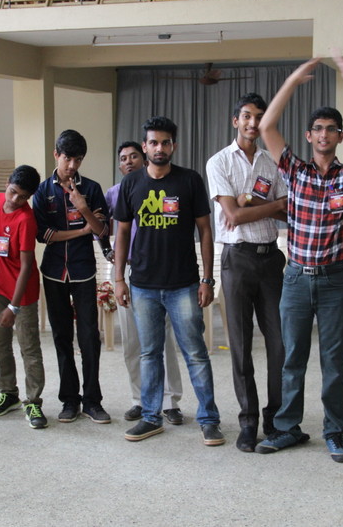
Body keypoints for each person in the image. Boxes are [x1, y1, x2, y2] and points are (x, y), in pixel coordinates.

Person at [255, 57, 343, 462]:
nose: (324, 134)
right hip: (296, 278)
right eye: (318, 128)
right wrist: (293, 81)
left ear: (339, 135)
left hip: (333, 281)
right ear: (309, 135)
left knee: (334, 363)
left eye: (331, 129)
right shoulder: (294, 171)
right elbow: (266, 126)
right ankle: (288, 429)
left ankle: (334, 432)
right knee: (292, 359)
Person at [114, 116, 224, 446]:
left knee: (196, 354)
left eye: (165, 142)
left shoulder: (189, 180)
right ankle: (151, 417)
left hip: (183, 285)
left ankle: (209, 419)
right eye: (153, 142)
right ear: (145, 146)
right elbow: (122, 233)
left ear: (173, 145)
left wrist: (207, 278)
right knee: (149, 354)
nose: (159, 148)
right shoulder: (131, 183)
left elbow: (205, 231)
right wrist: (119, 279)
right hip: (143, 285)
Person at [206, 93, 288, 452]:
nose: (253, 123)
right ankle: (248, 421)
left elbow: (288, 213)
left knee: (279, 344)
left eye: (259, 117)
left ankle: (275, 418)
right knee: (240, 345)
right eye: (247, 116)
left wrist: (251, 201)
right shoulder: (219, 162)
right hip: (237, 260)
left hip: (271, 259)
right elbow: (233, 216)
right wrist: (267, 205)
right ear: (235, 121)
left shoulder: (273, 162)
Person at [33, 130, 111, 424]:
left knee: (89, 336)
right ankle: (69, 400)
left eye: (78, 160)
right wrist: (81, 231)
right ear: (56, 155)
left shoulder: (91, 188)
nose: (72, 166)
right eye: (67, 159)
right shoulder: (43, 191)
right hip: (54, 272)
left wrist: (83, 209)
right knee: (61, 335)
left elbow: (102, 231)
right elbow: (44, 235)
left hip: (83, 271)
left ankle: (92, 401)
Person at [106, 142, 184, 424]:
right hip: (126, 270)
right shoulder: (114, 194)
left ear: (145, 158)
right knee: (132, 341)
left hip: (158, 270)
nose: (128, 162)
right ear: (119, 166)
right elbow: (101, 228)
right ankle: (140, 399)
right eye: (123, 159)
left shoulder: (163, 188)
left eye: (133, 156)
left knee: (163, 340)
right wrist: (109, 254)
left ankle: (170, 401)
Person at [0, 165, 48, 429]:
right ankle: (8, 393)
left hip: (23, 294)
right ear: (7, 184)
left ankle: (33, 401)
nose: (15, 199)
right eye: (12, 192)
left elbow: (26, 266)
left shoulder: (26, 219)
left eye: (22, 197)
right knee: (0, 343)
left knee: (29, 347)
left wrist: (14, 307)